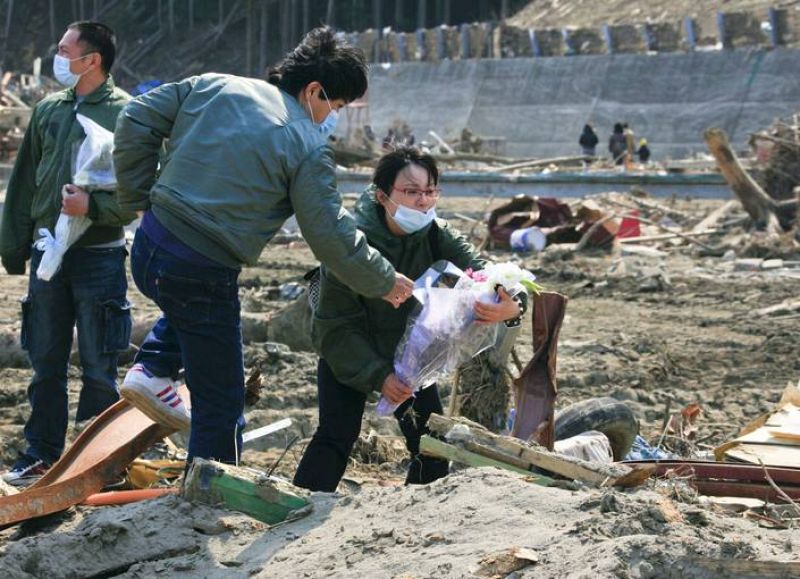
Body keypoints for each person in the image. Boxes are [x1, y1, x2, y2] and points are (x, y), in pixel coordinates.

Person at [113, 27, 413, 466]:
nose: (332, 117)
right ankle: (210, 493)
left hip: (150, 246)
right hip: (202, 265)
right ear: (314, 90)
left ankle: (154, 367)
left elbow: (136, 117)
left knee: (193, 314)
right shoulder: (308, 144)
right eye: (336, 105)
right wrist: (384, 281)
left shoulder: (215, 84)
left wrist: (139, 199)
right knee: (221, 397)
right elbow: (329, 234)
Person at [293, 146, 527, 492]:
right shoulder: (351, 243)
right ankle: (298, 508)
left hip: (410, 355)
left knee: (431, 443)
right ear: (382, 195)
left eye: (431, 191)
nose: (423, 201)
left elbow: (487, 273)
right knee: (336, 435)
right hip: (349, 346)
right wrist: (378, 374)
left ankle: (415, 517)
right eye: (411, 191)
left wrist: (512, 305)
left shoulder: (436, 233)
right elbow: (333, 326)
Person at [0, 22, 134, 486]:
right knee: (46, 359)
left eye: (63, 49)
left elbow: (141, 190)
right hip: (49, 255)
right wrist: (14, 247)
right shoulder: (47, 111)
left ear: (91, 59)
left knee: (100, 362)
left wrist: (92, 207)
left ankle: (97, 462)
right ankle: (41, 454)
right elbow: (23, 184)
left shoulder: (127, 114)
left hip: (99, 254)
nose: (57, 57)